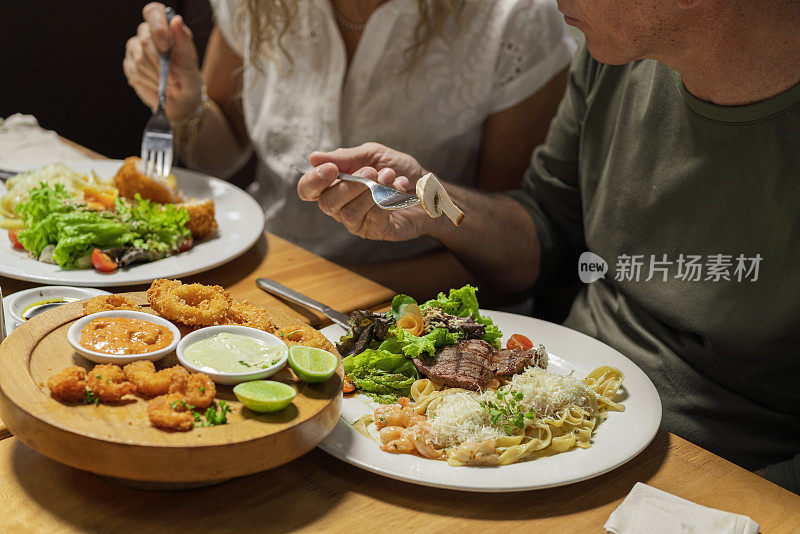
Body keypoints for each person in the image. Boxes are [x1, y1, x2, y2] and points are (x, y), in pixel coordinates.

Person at [297, 0, 800, 492]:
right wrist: (437, 209)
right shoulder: (618, 55)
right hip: (557, 407)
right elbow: (547, 235)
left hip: (726, 473)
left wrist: (726, 512)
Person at [122, 0, 575, 268]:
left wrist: (317, 292)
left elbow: (517, 252)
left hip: (411, 303)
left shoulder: (515, 18)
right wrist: (186, 106)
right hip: (265, 263)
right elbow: (221, 157)